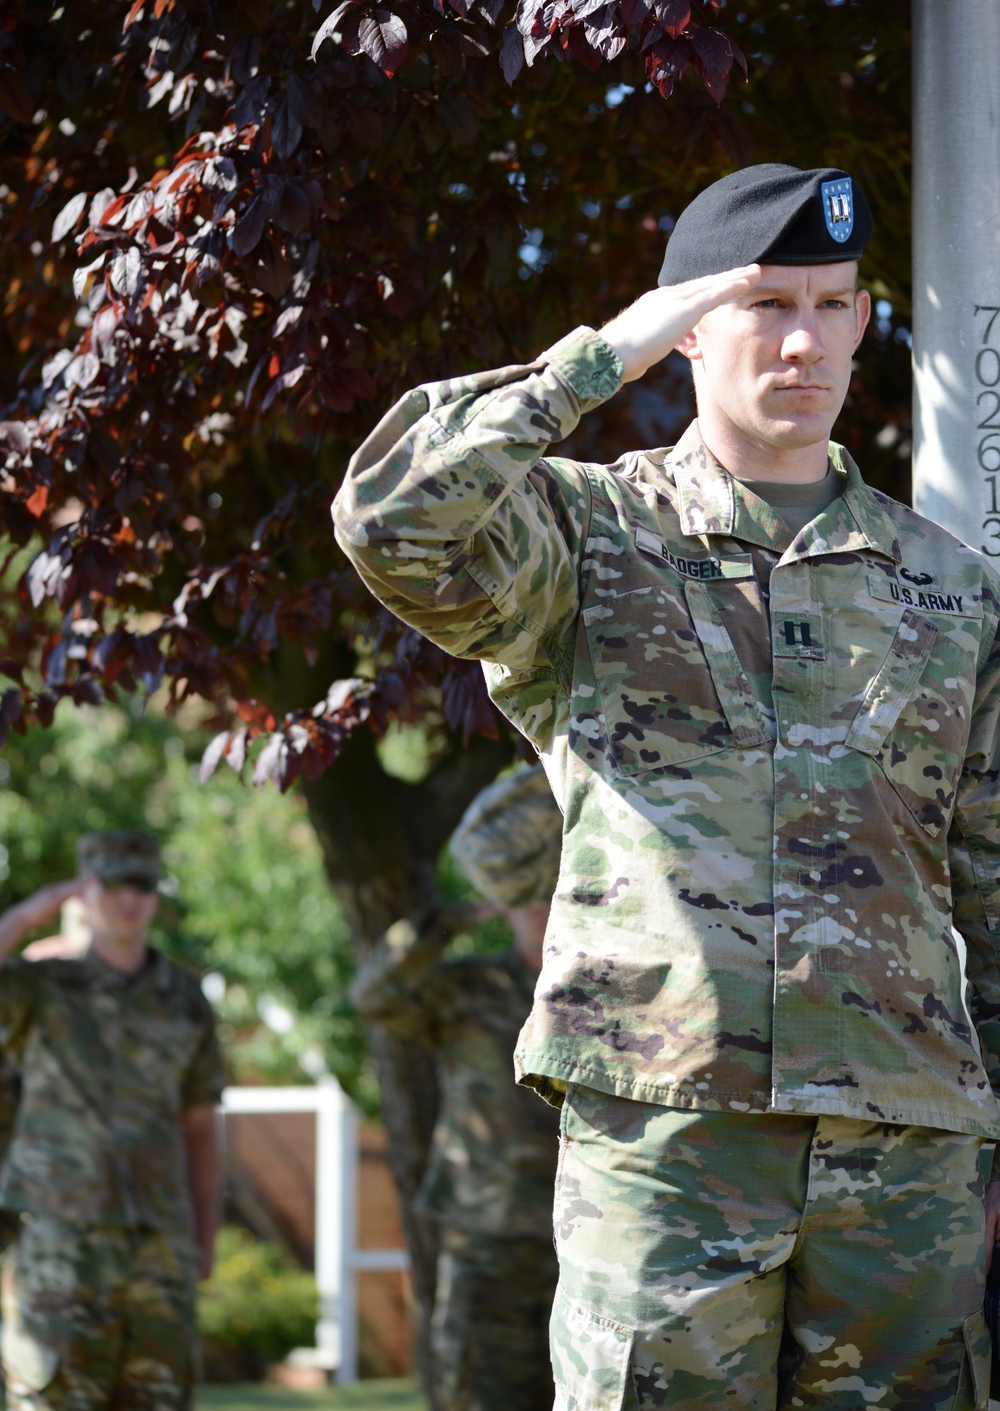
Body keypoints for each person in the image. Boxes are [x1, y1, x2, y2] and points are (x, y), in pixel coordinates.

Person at [333, 162, 1000, 1409]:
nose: (803, 340)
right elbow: (391, 519)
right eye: (762, 306)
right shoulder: (587, 538)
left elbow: (994, 878)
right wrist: (598, 360)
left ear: (864, 318)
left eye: (831, 303)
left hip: (905, 1159)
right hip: (668, 1145)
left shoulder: (950, 588)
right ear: (693, 324)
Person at [352, 764, 561, 1411]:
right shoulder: (466, 989)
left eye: (548, 891)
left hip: (579, 1231)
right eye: (525, 894)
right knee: (476, 1392)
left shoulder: (598, 995)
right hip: (486, 1234)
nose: (538, 907)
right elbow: (376, 995)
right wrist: (443, 923)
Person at [0, 829, 224, 1411]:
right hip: (60, 1241)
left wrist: (204, 1232)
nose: (129, 898)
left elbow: (200, 1125)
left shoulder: (186, 1000)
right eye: (113, 883)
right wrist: (27, 914)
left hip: (160, 1246)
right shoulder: (40, 987)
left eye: (143, 884)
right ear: (85, 890)